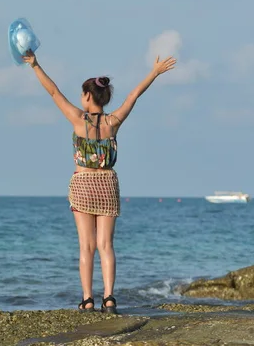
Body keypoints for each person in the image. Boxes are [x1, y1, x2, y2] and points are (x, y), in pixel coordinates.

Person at [22, 50, 176, 314]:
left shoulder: (76, 118)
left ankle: (87, 299)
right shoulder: (113, 122)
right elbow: (134, 95)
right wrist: (154, 72)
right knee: (106, 245)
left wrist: (35, 65)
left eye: (83, 94)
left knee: (86, 246)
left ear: (88, 96)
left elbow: (54, 92)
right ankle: (109, 298)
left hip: (83, 184)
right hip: (107, 185)